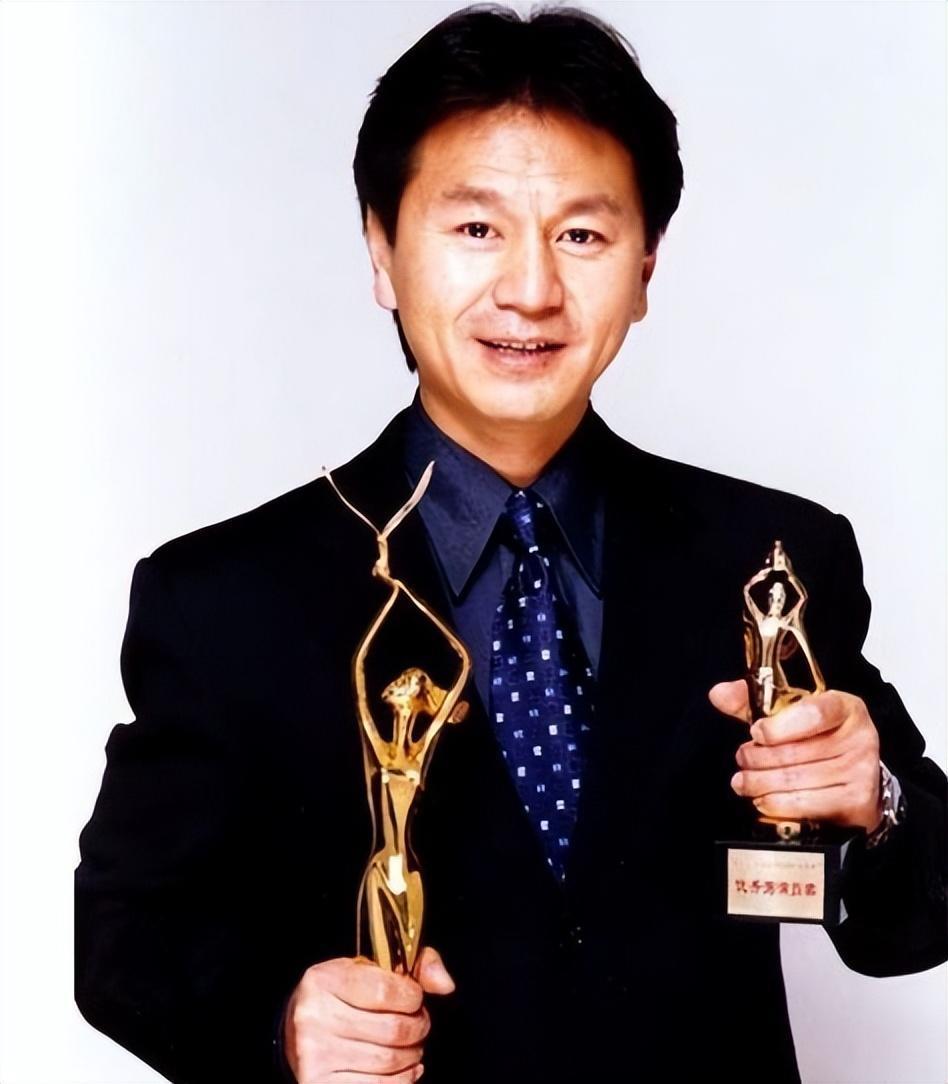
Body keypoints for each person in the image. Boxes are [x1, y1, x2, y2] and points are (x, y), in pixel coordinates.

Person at [74, 7, 947, 1084]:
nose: (530, 290)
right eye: (477, 228)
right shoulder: (223, 598)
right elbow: (123, 933)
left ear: (646, 265)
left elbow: (915, 916)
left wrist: (875, 799)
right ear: (382, 250)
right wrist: (282, 1023)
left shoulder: (769, 556)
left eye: (582, 235)